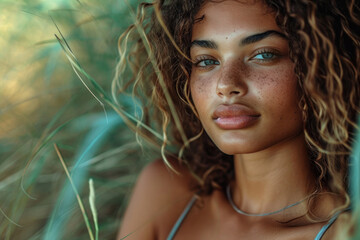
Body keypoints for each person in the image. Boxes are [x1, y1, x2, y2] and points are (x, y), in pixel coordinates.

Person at [116, 0, 360, 239]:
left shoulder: (344, 233)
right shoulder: (166, 192)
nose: (225, 84)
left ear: (322, 68)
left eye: (263, 55)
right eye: (206, 61)